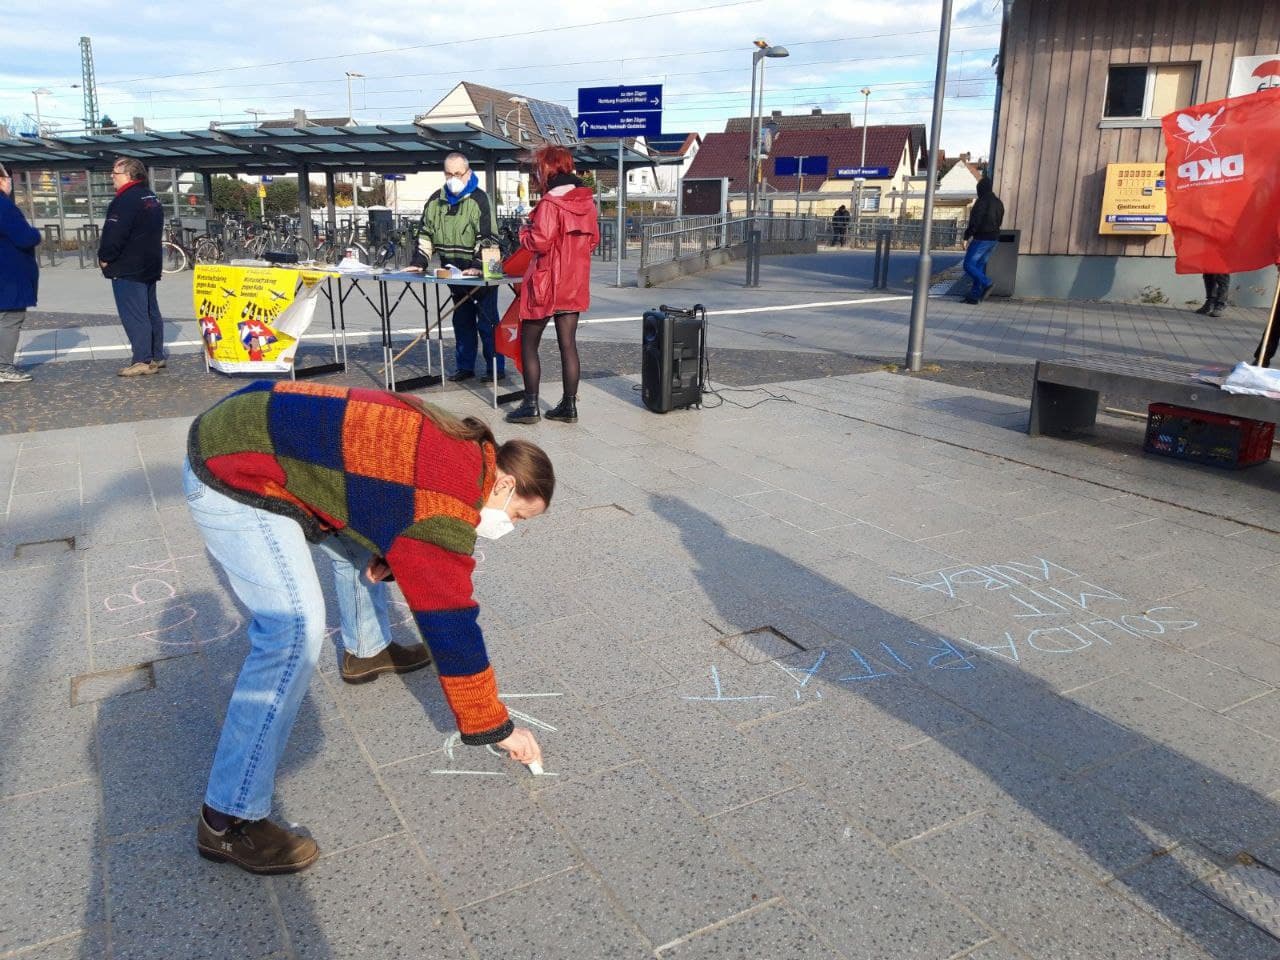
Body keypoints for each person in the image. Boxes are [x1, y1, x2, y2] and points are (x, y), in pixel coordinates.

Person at [185, 380, 554, 874]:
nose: (509, 527)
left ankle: (367, 648)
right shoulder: (444, 503)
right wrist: (492, 724)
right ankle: (226, 819)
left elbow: (377, 486)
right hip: (233, 465)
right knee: (293, 631)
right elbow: (452, 624)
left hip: (252, 420)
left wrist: (392, 552)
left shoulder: (464, 444)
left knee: (365, 550)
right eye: (517, 516)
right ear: (506, 483)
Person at [505, 145, 600, 425]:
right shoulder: (587, 202)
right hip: (574, 281)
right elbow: (592, 241)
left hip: (546, 282)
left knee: (528, 343)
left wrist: (523, 231)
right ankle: (569, 406)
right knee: (568, 344)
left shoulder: (549, 203)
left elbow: (540, 241)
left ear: (547, 168)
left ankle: (531, 405)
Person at [405, 152, 505, 383]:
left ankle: (496, 368)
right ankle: (465, 366)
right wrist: (418, 262)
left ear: (467, 173)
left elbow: (489, 237)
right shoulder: (435, 200)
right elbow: (425, 234)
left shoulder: (480, 199)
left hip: (483, 272)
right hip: (453, 271)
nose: (453, 178)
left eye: (458, 173)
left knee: (488, 322)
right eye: (449, 173)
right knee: (461, 321)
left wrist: (478, 266)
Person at [98, 157, 166, 377]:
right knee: (150, 311)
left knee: (134, 314)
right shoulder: (151, 196)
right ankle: (156, 355)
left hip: (128, 266)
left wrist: (105, 257)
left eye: (114, 173)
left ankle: (142, 360)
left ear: (128, 174)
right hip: (150, 263)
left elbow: (115, 233)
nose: (111, 176)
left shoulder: (125, 200)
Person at [0, 163, 40, 384]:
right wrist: (35, 233)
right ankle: (4, 367)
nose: (9, 181)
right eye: (7, 177)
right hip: (9, 274)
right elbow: (24, 237)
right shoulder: (4, 206)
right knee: (10, 319)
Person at [961, 176, 1004, 305]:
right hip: (994, 239)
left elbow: (975, 221)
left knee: (968, 264)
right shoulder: (999, 203)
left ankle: (987, 283)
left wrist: (966, 237)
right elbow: (1000, 220)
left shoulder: (981, 202)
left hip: (982, 238)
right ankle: (974, 296)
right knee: (978, 266)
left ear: (980, 189)